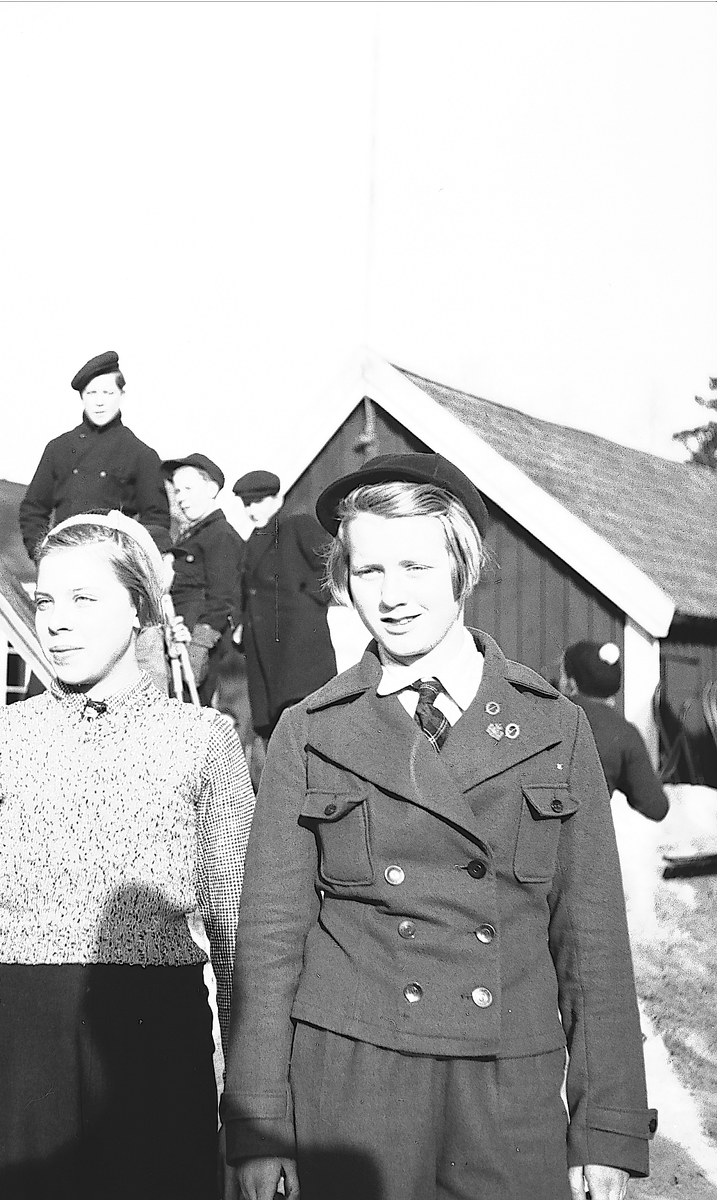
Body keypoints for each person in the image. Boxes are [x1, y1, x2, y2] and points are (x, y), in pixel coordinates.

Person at [223, 453, 656, 1200]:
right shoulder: (309, 730)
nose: (392, 596)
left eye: (416, 567)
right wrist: (260, 1126)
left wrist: (605, 1129)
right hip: (352, 1086)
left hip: (506, 1090)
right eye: (368, 571)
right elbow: (268, 943)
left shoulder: (555, 727)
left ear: (463, 567)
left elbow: (591, 941)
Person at [0, 511, 255, 1200]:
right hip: (19, 1052)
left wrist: (253, 1110)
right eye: (45, 601)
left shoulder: (204, 740)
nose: (56, 623)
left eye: (83, 599)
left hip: (155, 1052)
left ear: (138, 608)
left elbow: (236, 940)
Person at [18, 351, 171, 558]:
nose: (100, 402)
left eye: (108, 393)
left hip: (111, 564)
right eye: (91, 393)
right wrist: (43, 555)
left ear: (122, 396)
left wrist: (129, 562)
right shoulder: (59, 448)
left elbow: (157, 521)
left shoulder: (141, 454)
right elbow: (33, 509)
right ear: (82, 397)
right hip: (62, 560)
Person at [232, 470, 336, 740]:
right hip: (265, 648)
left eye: (258, 501)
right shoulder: (252, 541)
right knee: (277, 729)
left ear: (277, 499)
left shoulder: (297, 525)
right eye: (246, 504)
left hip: (298, 645)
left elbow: (331, 562)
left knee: (306, 720)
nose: (252, 510)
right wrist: (241, 625)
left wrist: (307, 600)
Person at [162, 453, 244, 706]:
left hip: (202, 649)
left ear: (211, 489)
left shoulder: (220, 536)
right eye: (177, 491)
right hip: (178, 641)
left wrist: (199, 646)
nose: (181, 497)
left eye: (188, 489)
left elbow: (223, 599)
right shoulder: (189, 537)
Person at [560, 641, 669, 821]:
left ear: (571, 683)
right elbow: (656, 807)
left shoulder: (545, 717)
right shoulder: (624, 733)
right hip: (585, 832)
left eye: (562, 675)